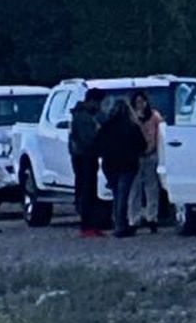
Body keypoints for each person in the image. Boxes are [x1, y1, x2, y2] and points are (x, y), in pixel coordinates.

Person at [98, 98, 147, 238]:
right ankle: (121, 225)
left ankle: (119, 223)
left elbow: (98, 144)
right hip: (127, 165)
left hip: (110, 165)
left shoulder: (106, 127)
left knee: (117, 195)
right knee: (123, 196)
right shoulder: (132, 127)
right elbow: (142, 145)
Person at [69, 89, 104, 238]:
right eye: (98, 102)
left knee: (89, 191)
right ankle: (87, 226)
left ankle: (91, 225)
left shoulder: (83, 115)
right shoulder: (84, 117)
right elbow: (88, 139)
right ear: (92, 101)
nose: (100, 106)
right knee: (87, 191)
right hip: (85, 158)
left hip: (84, 157)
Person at [128, 91, 164, 232]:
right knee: (135, 189)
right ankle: (134, 219)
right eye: (137, 102)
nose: (140, 105)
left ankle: (152, 217)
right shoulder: (130, 117)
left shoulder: (154, 116)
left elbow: (161, 130)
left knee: (152, 188)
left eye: (142, 101)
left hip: (151, 155)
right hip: (135, 156)